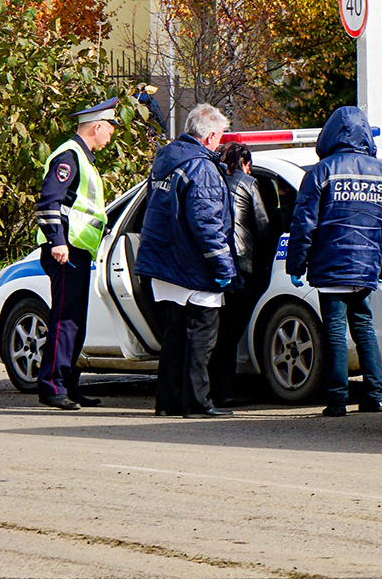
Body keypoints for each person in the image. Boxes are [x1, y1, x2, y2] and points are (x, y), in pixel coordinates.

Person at [285, 105, 382, 417]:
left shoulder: (321, 172)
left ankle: (337, 401)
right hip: (366, 267)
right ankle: (374, 397)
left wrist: (296, 265)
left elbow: (303, 223)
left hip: (331, 264)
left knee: (335, 330)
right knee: (364, 326)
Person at [134, 103, 237, 418]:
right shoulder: (201, 168)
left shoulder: (166, 159)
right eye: (219, 136)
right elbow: (207, 224)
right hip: (192, 267)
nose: (220, 142)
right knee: (200, 337)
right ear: (208, 138)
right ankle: (196, 402)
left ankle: (167, 402)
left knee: (175, 335)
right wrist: (224, 268)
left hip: (165, 264)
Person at [33, 98, 119, 410]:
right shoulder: (69, 156)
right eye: (109, 128)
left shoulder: (84, 158)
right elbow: (48, 202)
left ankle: (67, 384)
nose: (110, 135)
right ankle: (52, 386)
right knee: (65, 320)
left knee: (75, 321)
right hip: (65, 249)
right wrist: (57, 241)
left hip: (78, 248)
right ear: (97, 126)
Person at [213, 140, 272, 406]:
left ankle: (213, 389)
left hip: (214, 263)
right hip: (241, 264)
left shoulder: (212, 180)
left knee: (214, 329)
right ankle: (224, 392)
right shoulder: (249, 183)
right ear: (246, 164)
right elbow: (262, 225)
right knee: (229, 333)